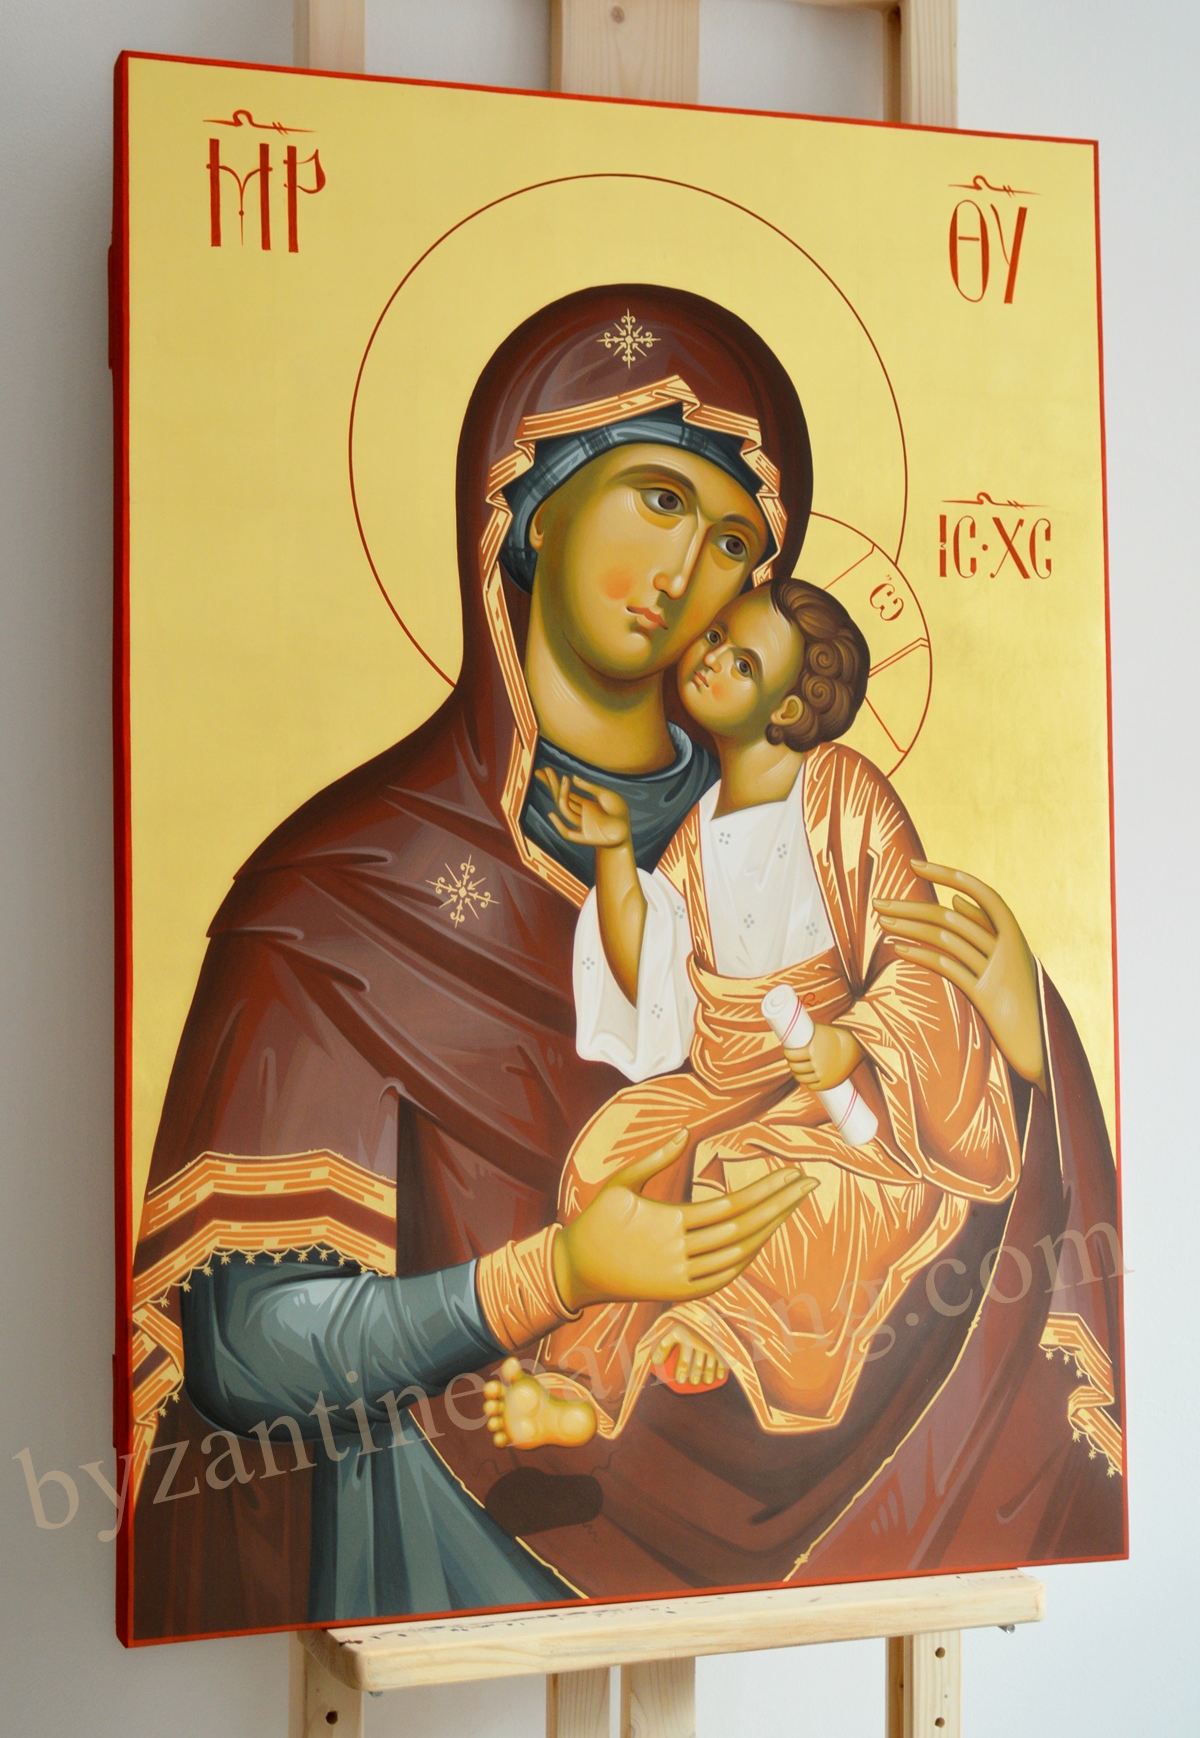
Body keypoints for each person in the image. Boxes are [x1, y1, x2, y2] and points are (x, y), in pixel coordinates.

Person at [126, 285, 1122, 1642]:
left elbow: (967, 1142)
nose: (687, 567)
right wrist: (560, 1273)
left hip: (867, 1488)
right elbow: (245, 1349)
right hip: (451, 1546)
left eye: (732, 539)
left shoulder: (819, 826)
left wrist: (1026, 1040)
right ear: (529, 503)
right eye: (659, 498)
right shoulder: (341, 893)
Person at [482, 579, 1020, 1450]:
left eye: (742, 660)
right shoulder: (698, 827)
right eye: (714, 637)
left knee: (772, 1173)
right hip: (723, 1076)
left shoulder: (844, 792)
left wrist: (851, 1042)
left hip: (842, 1099)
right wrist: (616, 855)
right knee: (613, 1152)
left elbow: (913, 952)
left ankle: (720, 1326)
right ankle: (580, 1381)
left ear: (791, 706)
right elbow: (654, 969)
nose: (708, 657)